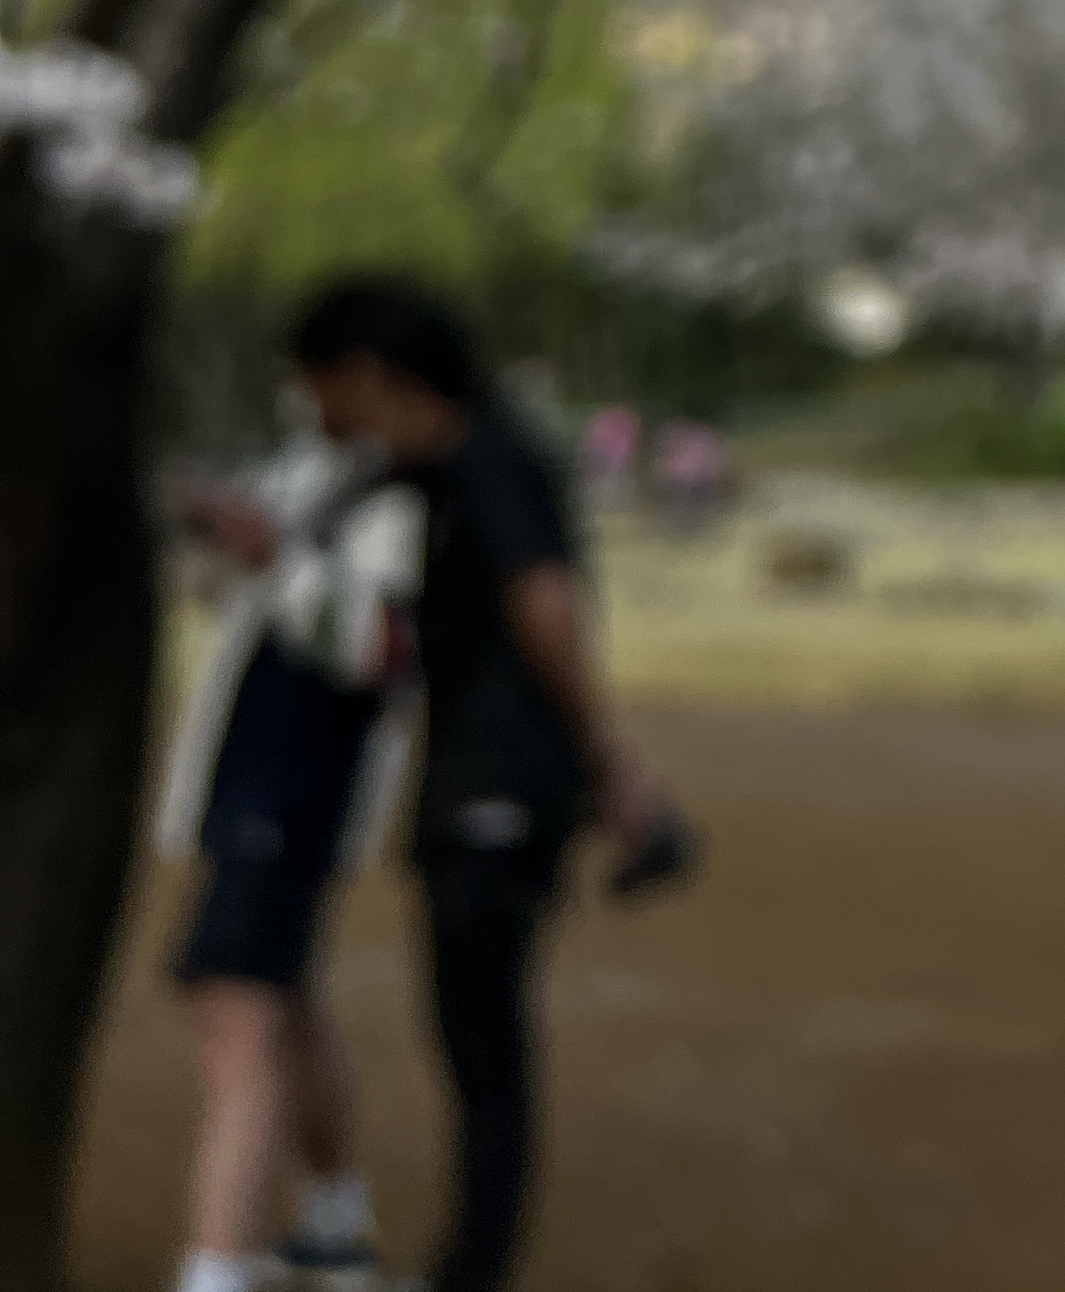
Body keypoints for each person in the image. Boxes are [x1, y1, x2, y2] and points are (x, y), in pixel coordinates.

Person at [288, 276, 678, 1292]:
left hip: (499, 786)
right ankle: (472, 1265)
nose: (318, 413)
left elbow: (544, 605)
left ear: (369, 377)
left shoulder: (492, 461)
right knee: (468, 1032)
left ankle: (475, 1272)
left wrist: (609, 758)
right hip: (469, 778)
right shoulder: (431, 472)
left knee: (483, 1040)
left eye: (319, 386)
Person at [157, 389, 425, 1292]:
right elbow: (225, 596)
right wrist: (215, 533)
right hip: (247, 786)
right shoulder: (307, 471)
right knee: (285, 1006)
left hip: (297, 791)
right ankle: (335, 1227)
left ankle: (215, 1270)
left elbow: (384, 648)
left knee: (234, 1018)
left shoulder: (406, 499)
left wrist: (276, 556)